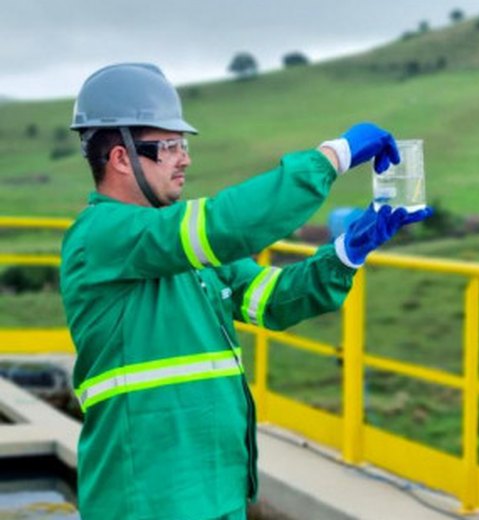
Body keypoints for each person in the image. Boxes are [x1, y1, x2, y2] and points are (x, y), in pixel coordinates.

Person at [60, 62, 431, 520]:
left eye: (185, 144)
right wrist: (331, 157)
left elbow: (271, 300)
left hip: (219, 493)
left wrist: (345, 254)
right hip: (149, 500)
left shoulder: (183, 255)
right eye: (170, 146)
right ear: (121, 157)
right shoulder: (101, 236)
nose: (185, 158)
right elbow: (227, 224)